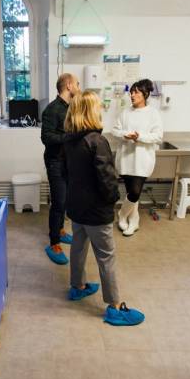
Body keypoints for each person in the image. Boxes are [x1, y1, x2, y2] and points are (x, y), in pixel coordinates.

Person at [63, 90, 145, 326]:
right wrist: (113, 201)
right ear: (90, 111)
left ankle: (77, 286)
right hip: (96, 211)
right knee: (106, 256)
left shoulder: (69, 140)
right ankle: (115, 306)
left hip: (77, 207)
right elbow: (107, 179)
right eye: (98, 107)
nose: (101, 110)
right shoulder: (97, 141)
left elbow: (68, 174)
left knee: (78, 247)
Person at [111, 79, 163, 236]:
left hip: (142, 160)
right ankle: (134, 222)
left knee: (135, 192)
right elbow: (114, 131)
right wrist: (125, 135)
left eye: (136, 92)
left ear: (145, 94)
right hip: (126, 158)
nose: (132, 95)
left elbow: (158, 137)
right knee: (131, 193)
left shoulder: (153, 114)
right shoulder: (125, 112)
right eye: (131, 92)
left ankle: (121, 215)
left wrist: (139, 137)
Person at [41, 73, 80, 265]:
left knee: (65, 201)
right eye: (77, 83)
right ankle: (54, 242)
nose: (79, 87)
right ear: (69, 86)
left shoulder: (71, 108)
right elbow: (46, 138)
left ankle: (61, 231)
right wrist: (69, 137)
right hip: (55, 162)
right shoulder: (52, 109)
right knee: (58, 203)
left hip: (68, 162)